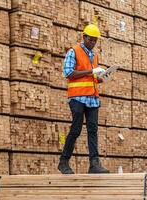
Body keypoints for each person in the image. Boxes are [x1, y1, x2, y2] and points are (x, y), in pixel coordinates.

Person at [58, 24, 109, 174]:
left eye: (95, 41)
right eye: (91, 40)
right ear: (84, 37)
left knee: (93, 130)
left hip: (92, 98)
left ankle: (94, 164)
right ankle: (63, 162)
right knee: (76, 129)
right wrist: (91, 71)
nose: (93, 42)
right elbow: (68, 73)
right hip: (78, 98)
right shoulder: (74, 52)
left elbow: (91, 78)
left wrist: (101, 78)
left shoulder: (94, 56)